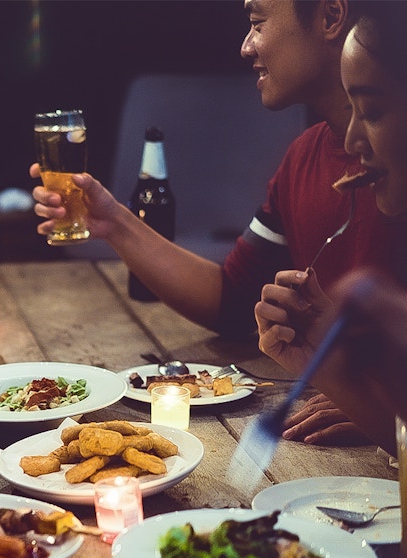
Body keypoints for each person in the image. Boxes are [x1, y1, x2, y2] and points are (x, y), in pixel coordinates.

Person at [30, 0, 402, 446]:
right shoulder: (304, 157)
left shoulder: (394, 171)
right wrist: (112, 221)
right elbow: (233, 299)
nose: (246, 46)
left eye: (257, 22)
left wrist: (377, 402)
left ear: (330, 17)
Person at [254, 1, 407, 455]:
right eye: (351, 110)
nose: (351, 142)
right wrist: (328, 367)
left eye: (373, 112)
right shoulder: (302, 157)